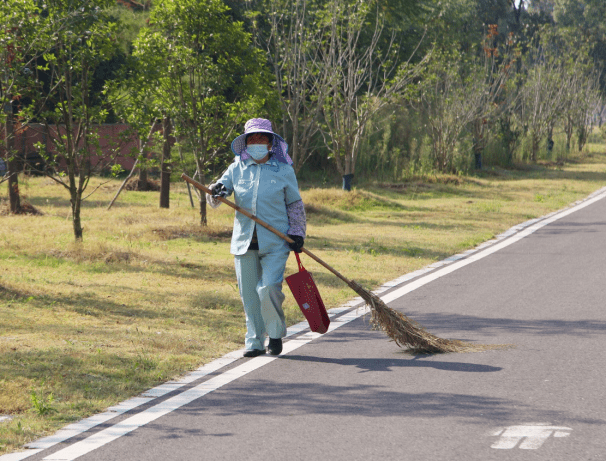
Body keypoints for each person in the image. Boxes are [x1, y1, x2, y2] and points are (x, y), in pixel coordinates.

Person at [206, 118, 306, 357]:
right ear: (245, 143)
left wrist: (298, 233)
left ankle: (274, 334)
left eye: (262, 138)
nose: (257, 142)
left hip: (275, 241)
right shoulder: (236, 168)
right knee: (249, 294)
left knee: (269, 288)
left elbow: (294, 204)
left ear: (271, 143)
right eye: (252, 138)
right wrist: (215, 192)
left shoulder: (283, 170)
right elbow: (218, 194)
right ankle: (254, 342)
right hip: (244, 241)